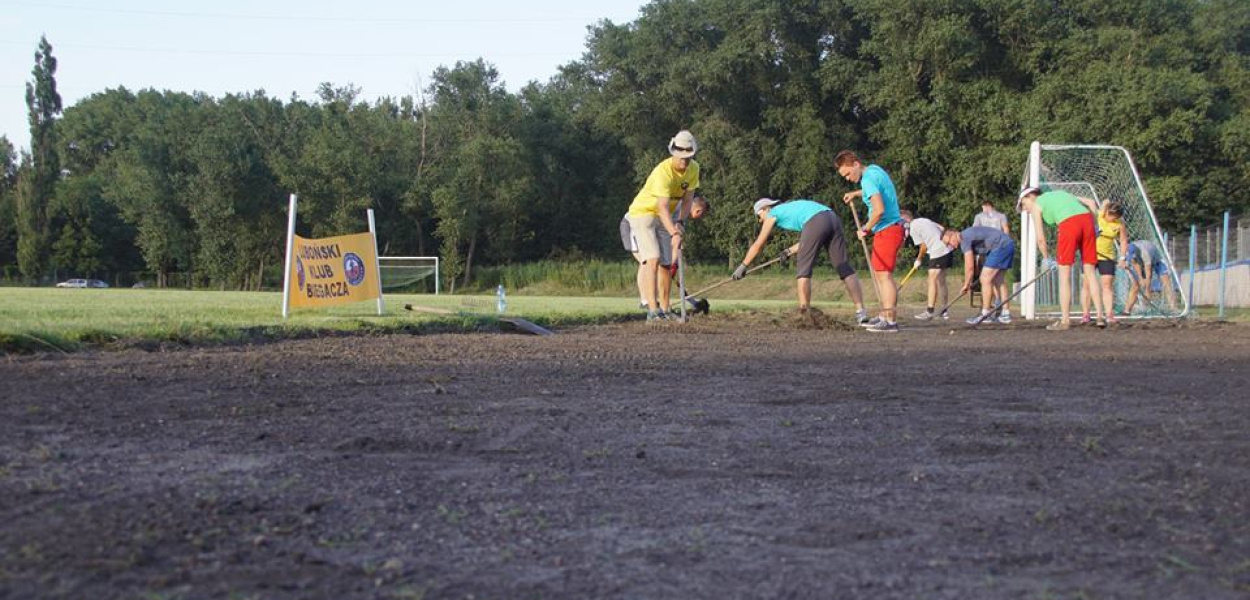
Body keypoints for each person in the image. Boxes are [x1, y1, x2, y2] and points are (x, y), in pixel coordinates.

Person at [732, 198, 868, 321]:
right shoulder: (790, 208)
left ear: (766, 208)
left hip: (816, 221)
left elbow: (758, 243)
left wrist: (744, 265)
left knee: (803, 270)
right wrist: (789, 251)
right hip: (832, 217)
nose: (760, 220)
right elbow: (809, 238)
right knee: (844, 268)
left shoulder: (773, 213)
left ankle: (805, 314)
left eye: (759, 216)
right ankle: (861, 312)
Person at [623, 130, 706, 322]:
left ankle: (666, 309)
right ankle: (653, 311)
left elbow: (687, 201)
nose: (684, 161)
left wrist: (680, 223)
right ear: (673, 153)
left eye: (688, 156)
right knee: (652, 258)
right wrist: (673, 232)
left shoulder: (694, 169)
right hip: (644, 214)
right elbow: (661, 206)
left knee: (666, 264)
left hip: (666, 216)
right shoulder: (663, 172)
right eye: (681, 157)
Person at [835, 150, 905, 333]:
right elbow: (874, 190)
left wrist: (865, 228)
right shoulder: (874, 171)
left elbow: (879, 209)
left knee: (884, 275)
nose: (848, 178)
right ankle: (883, 316)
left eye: (848, 174)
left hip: (887, 229)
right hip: (889, 229)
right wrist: (856, 194)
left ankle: (890, 321)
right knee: (880, 274)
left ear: (856, 164)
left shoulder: (867, 179)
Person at [1017, 186, 1105, 330]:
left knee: (1064, 276)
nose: (1025, 209)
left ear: (1030, 196)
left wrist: (1046, 259)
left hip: (1068, 224)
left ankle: (1065, 320)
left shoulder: (1036, 205)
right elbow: (1090, 202)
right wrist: (1095, 225)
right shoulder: (1062, 193)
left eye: (1024, 204)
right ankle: (1101, 316)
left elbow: (1040, 238)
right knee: (1091, 273)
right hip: (1087, 221)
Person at [622, 191, 709, 310]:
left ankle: (654, 302)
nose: (701, 218)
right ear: (698, 211)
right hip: (633, 223)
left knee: (655, 264)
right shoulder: (676, 209)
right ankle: (645, 302)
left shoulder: (681, 218)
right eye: (702, 215)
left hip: (649, 226)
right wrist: (670, 266)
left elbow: (675, 243)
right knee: (646, 261)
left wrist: (671, 266)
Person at [943, 226, 1016, 324]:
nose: (950, 246)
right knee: (998, 280)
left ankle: (985, 314)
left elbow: (969, 266)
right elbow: (977, 259)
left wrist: (966, 284)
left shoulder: (964, 238)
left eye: (949, 242)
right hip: (1007, 244)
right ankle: (1006, 314)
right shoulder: (968, 235)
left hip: (1000, 246)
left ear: (954, 234)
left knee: (985, 279)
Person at [1080, 200, 1128, 325]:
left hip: (1107, 257)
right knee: (1087, 284)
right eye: (1109, 214)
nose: (1110, 217)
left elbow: (1123, 241)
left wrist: (1122, 257)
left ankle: (1109, 314)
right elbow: (1104, 201)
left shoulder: (1119, 224)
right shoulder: (1099, 215)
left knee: (1107, 285)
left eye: (1113, 216)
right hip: (1090, 254)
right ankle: (1086, 314)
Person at [899, 210, 952, 320]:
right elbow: (942, 228)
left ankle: (930, 311)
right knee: (941, 281)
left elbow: (923, 246)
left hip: (938, 252)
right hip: (947, 249)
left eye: (901, 220)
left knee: (931, 280)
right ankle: (944, 310)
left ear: (906, 219)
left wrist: (918, 259)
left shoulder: (913, 228)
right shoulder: (923, 220)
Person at [1123, 239, 1177, 314]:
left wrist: (1147, 290)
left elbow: (1149, 274)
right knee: (1136, 285)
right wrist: (1141, 278)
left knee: (1166, 282)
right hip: (1141, 261)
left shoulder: (1144, 253)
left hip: (1157, 260)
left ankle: (1173, 308)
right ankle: (1127, 311)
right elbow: (1135, 264)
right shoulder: (1128, 250)